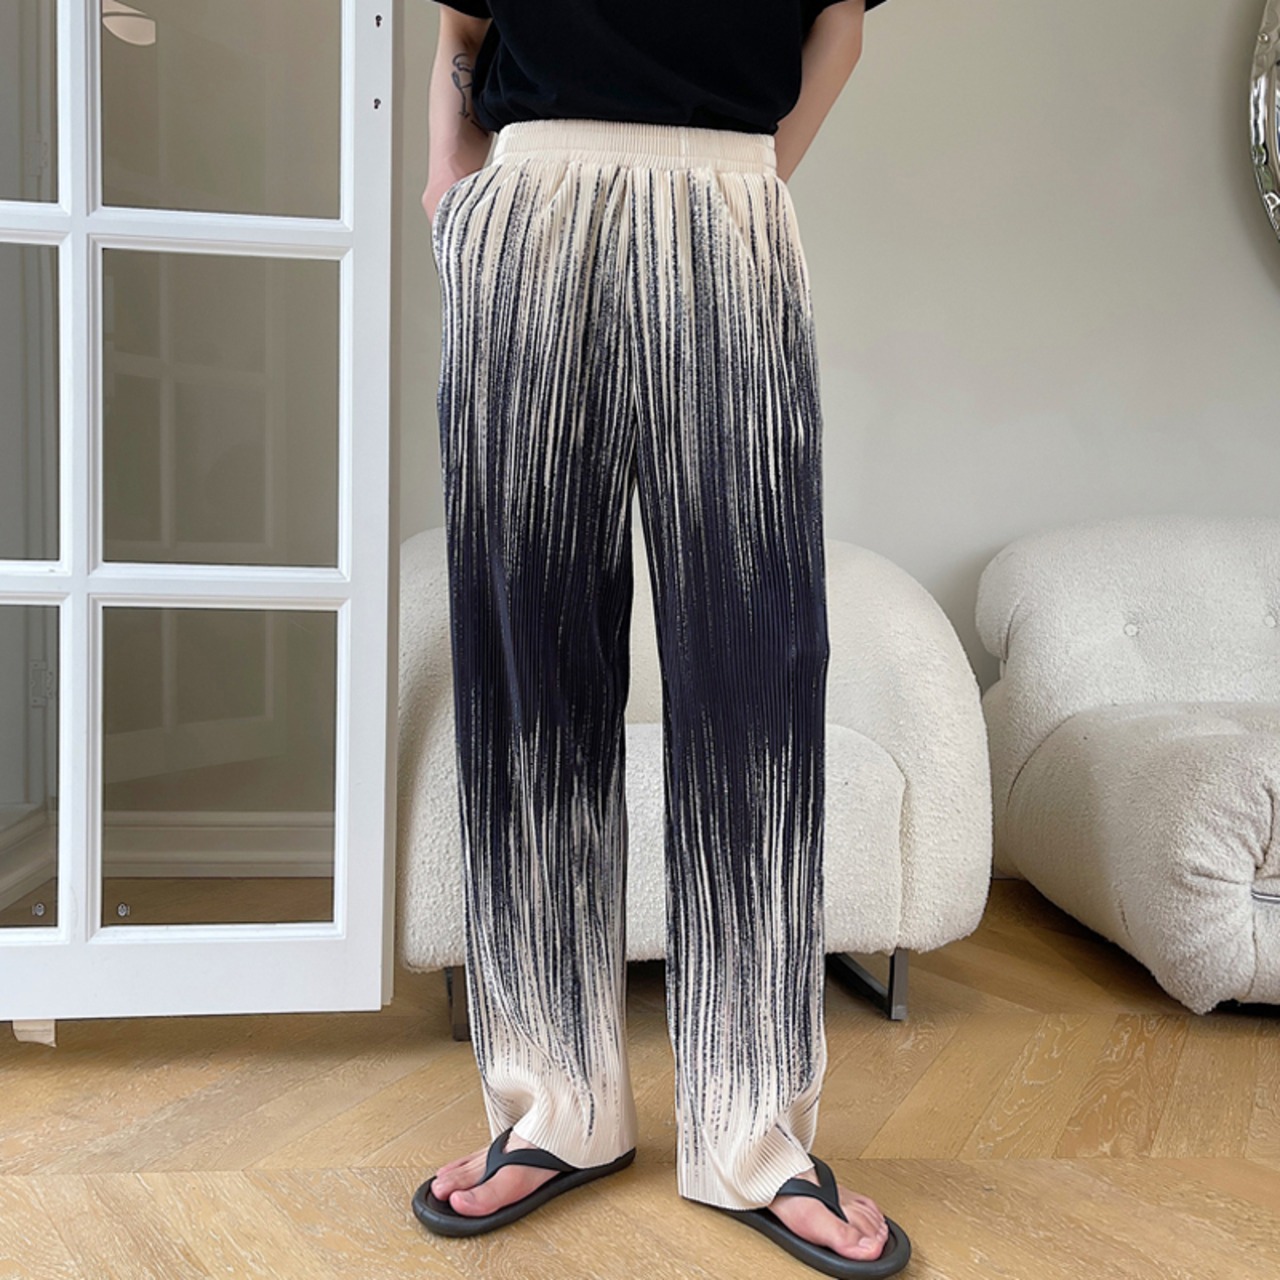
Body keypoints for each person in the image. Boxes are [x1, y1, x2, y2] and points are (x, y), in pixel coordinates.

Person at [410, 3, 911, 1276]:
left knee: (756, 659)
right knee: (528, 661)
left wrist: (738, 185)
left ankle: (751, 1125)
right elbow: (463, 23)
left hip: (726, 199)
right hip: (528, 202)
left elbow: (837, 22)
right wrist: (450, 187)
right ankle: (553, 1102)